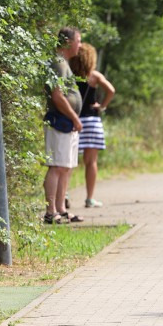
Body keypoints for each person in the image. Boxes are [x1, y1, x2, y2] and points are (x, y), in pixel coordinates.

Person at [43, 27, 84, 224]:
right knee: (57, 166)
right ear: (68, 42)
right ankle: (51, 211)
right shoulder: (58, 63)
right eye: (79, 41)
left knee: (66, 167)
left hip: (67, 123)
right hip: (59, 121)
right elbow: (57, 95)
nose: (80, 45)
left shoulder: (64, 64)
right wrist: (75, 118)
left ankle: (61, 208)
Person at [69, 43, 116, 208]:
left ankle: (64, 195)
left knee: (70, 160)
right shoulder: (94, 76)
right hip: (92, 122)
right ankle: (89, 198)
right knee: (91, 162)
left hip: (74, 120)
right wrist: (102, 105)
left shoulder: (69, 75)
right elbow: (111, 90)